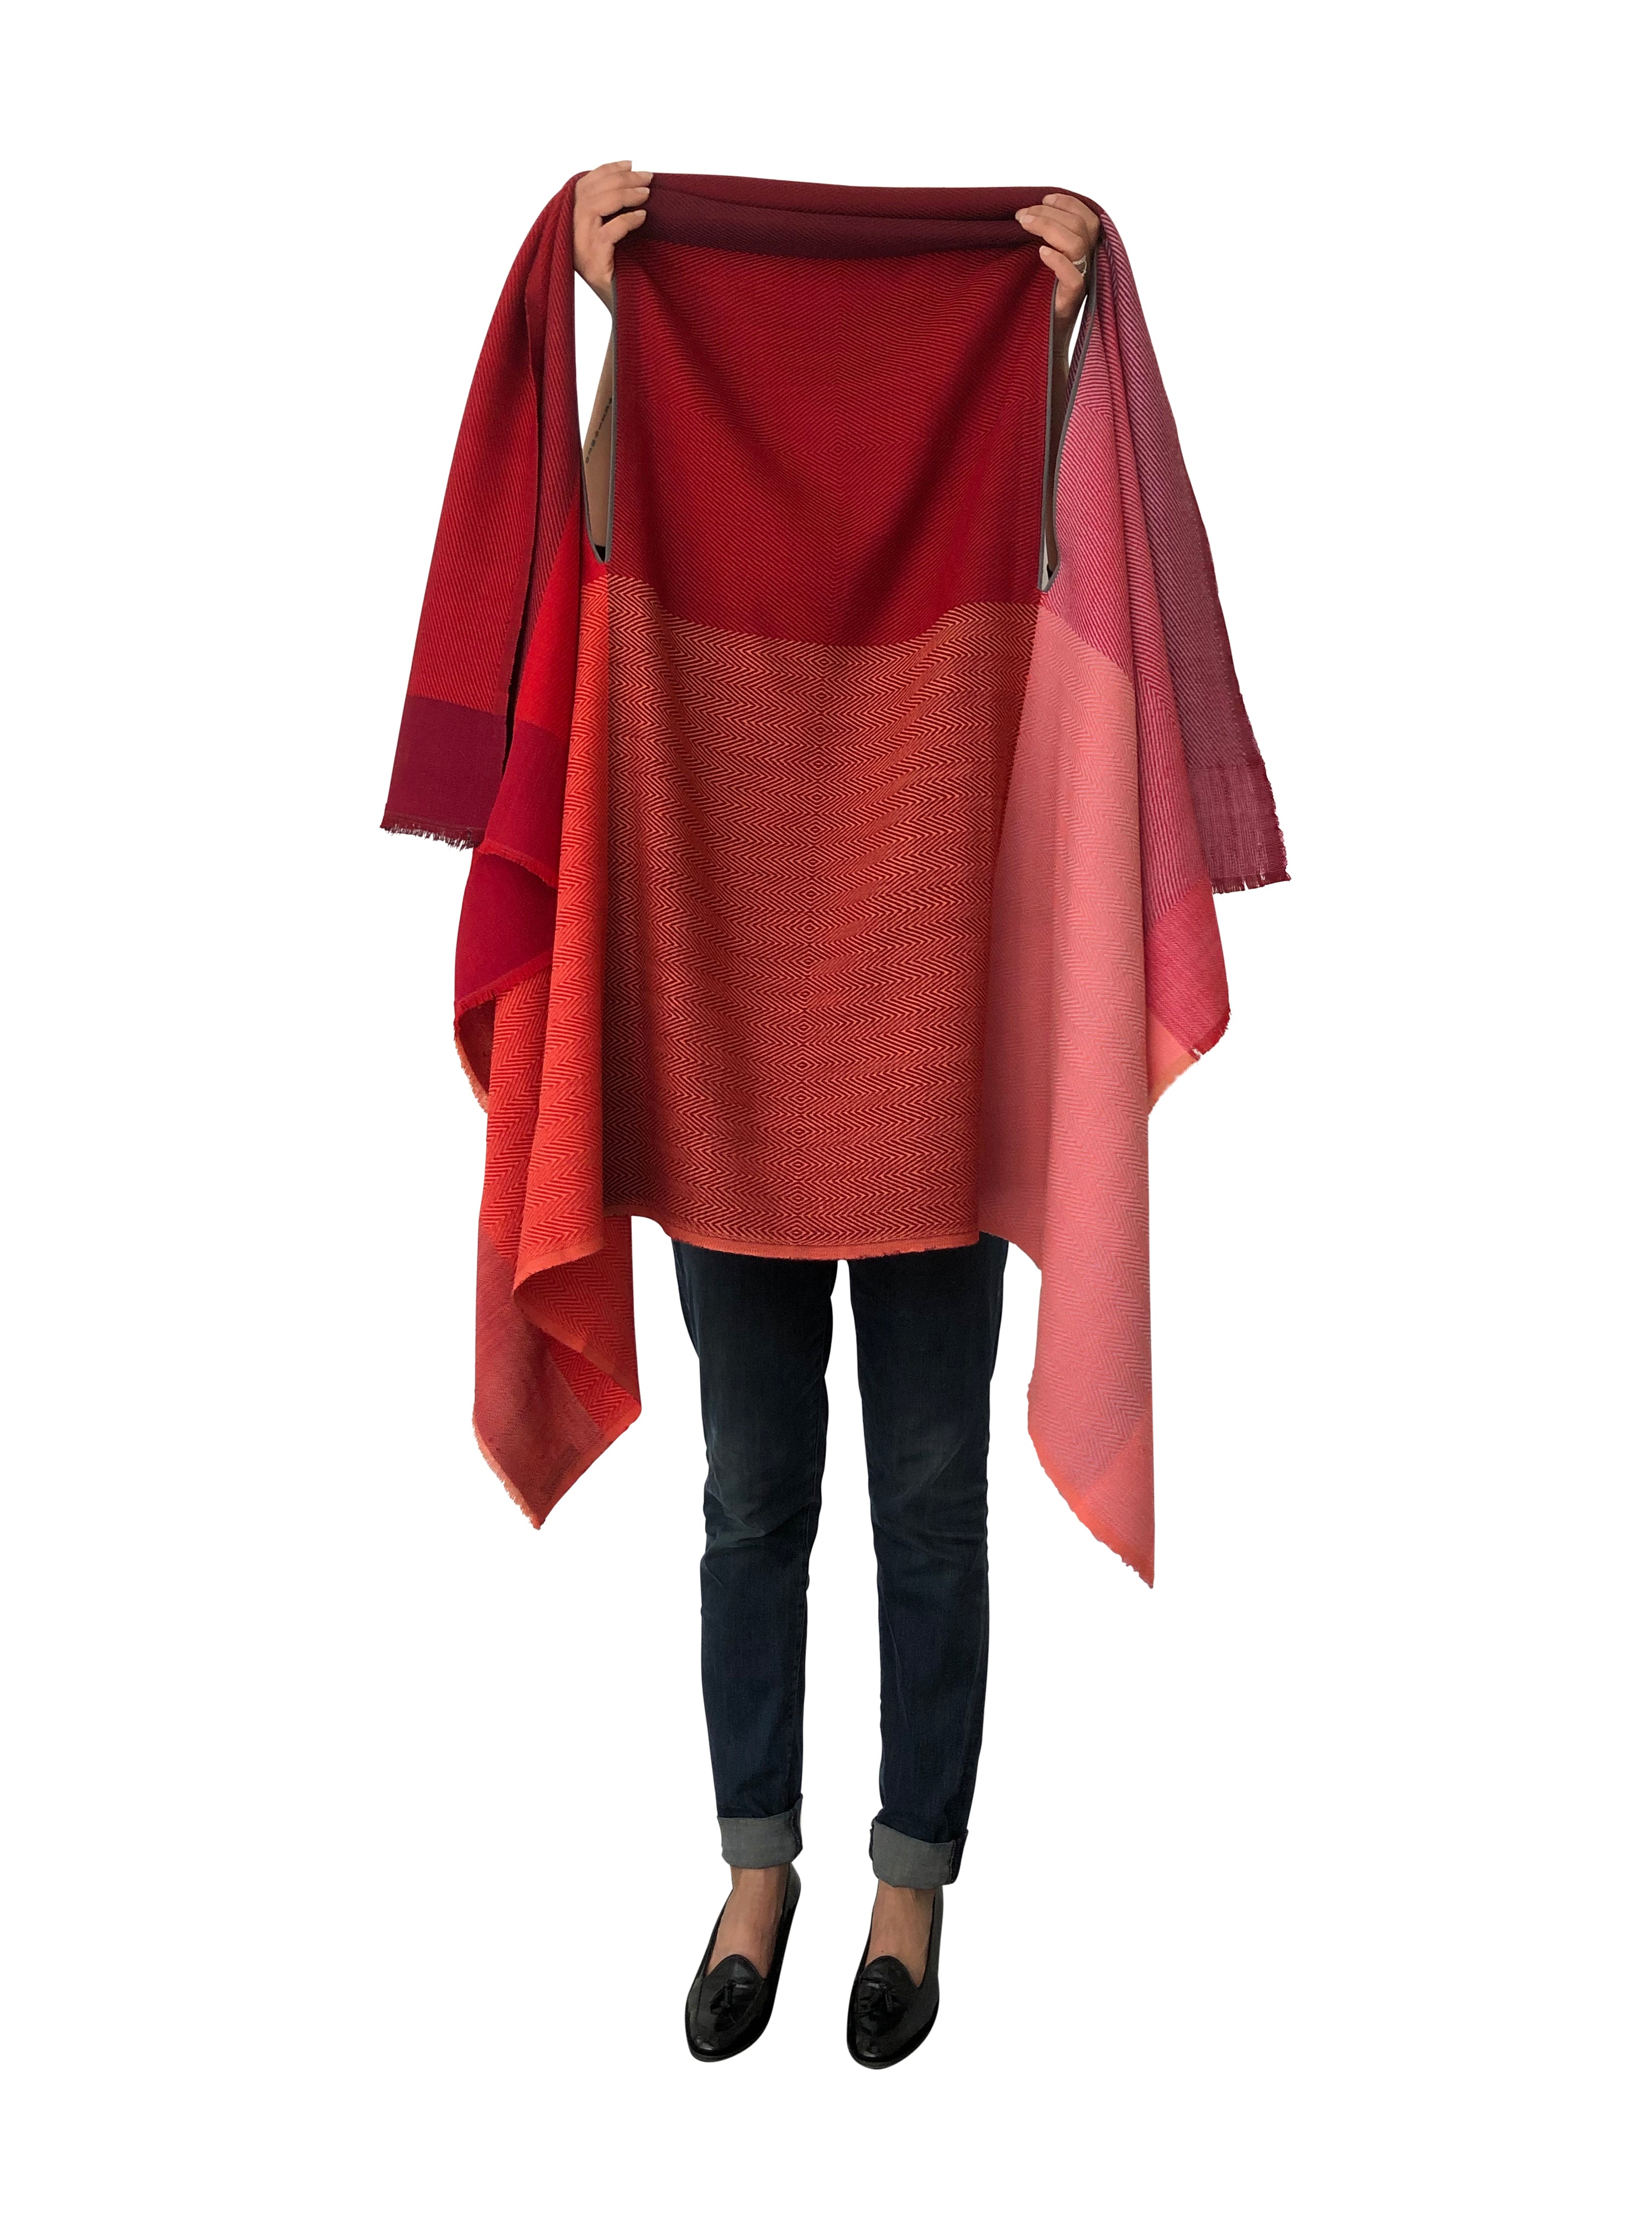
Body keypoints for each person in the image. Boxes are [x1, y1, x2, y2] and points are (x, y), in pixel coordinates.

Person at [571, 160, 1102, 2069]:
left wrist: (1041, 347)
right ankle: (756, 1870)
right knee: (751, 1496)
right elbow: (600, 551)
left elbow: (1057, 564)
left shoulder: (962, 507)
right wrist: (630, 331)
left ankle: (910, 1882)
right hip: (735, 1054)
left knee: (930, 1498)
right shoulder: (684, 505)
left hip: (929, 1052)